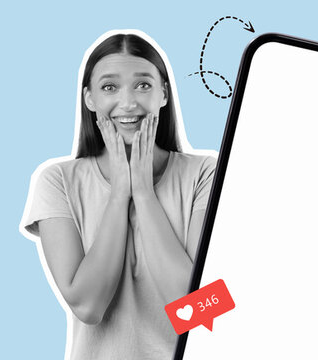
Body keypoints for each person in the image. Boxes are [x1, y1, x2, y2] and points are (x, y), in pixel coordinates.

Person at [19, 30, 217, 360]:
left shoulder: (206, 174)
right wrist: (119, 194)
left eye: (143, 85)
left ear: (164, 94)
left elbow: (198, 311)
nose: (128, 103)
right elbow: (88, 307)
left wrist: (144, 193)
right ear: (89, 99)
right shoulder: (57, 181)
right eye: (110, 87)